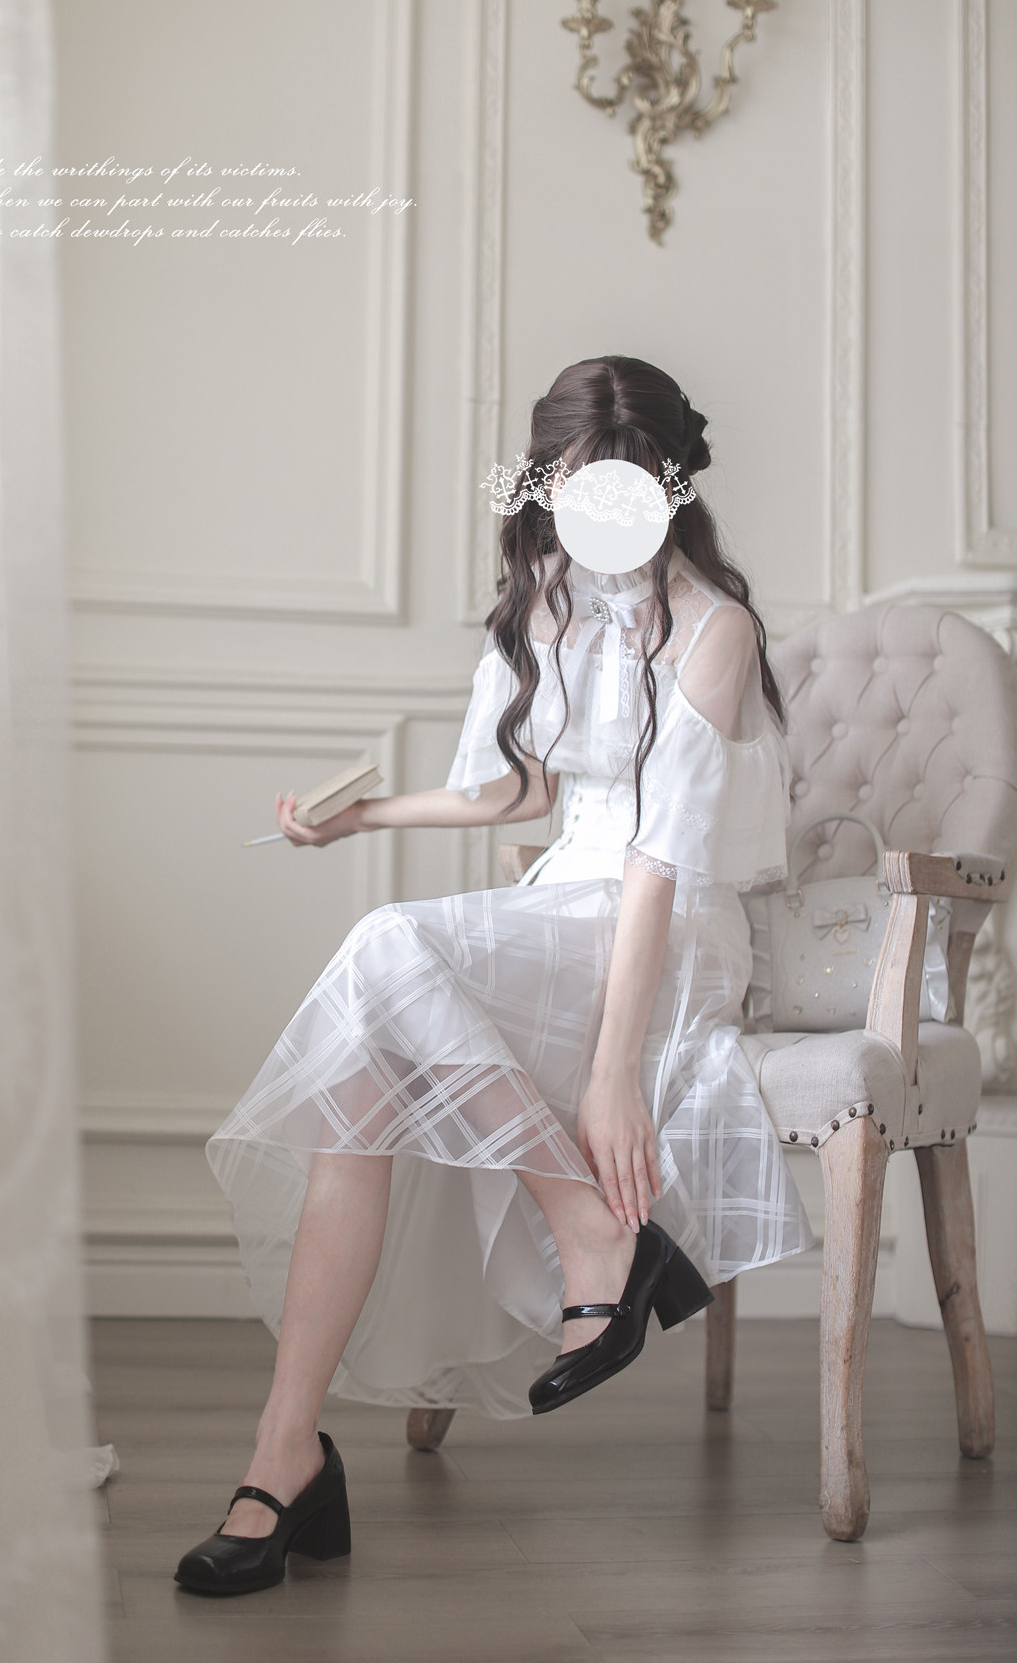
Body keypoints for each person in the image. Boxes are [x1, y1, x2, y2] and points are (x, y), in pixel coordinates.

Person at [174, 354, 812, 1598]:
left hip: (669, 934)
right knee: (365, 1066)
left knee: (388, 953)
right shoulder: (550, 602)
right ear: (548, 484)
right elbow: (517, 791)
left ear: (667, 486)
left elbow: (658, 863)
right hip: (564, 907)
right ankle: (284, 1448)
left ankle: (586, 1231)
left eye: (621, 481)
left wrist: (614, 1076)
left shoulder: (715, 628)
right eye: (574, 480)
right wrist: (362, 818)